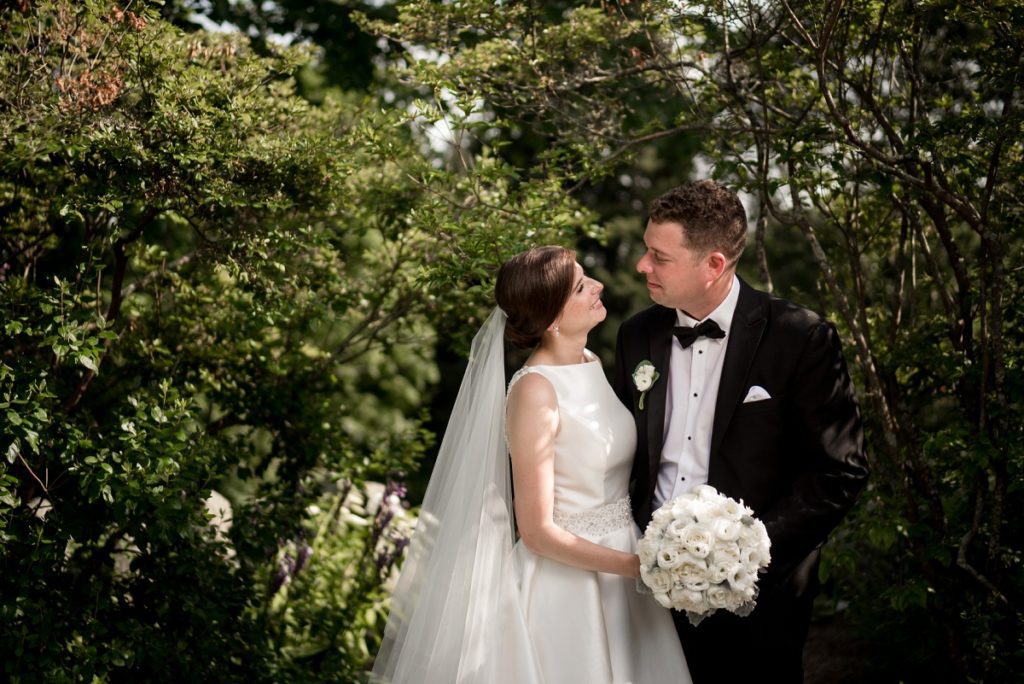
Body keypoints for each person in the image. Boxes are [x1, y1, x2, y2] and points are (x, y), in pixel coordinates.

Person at [372, 246, 691, 683]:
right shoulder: (535, 391)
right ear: (553, 318)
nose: (598, 286)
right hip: (570, 584)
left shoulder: (591, 362)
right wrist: (638, 566)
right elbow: (538, 532)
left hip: (625, 560)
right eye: (581, 286)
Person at [613, 180, 870, 682]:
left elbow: (840, 469)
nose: (642, 266)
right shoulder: (636, 335)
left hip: (759, 597)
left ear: (713, 265)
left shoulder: (800, 337)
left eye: (658, 257)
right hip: (645, 589)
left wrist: (747, 551)